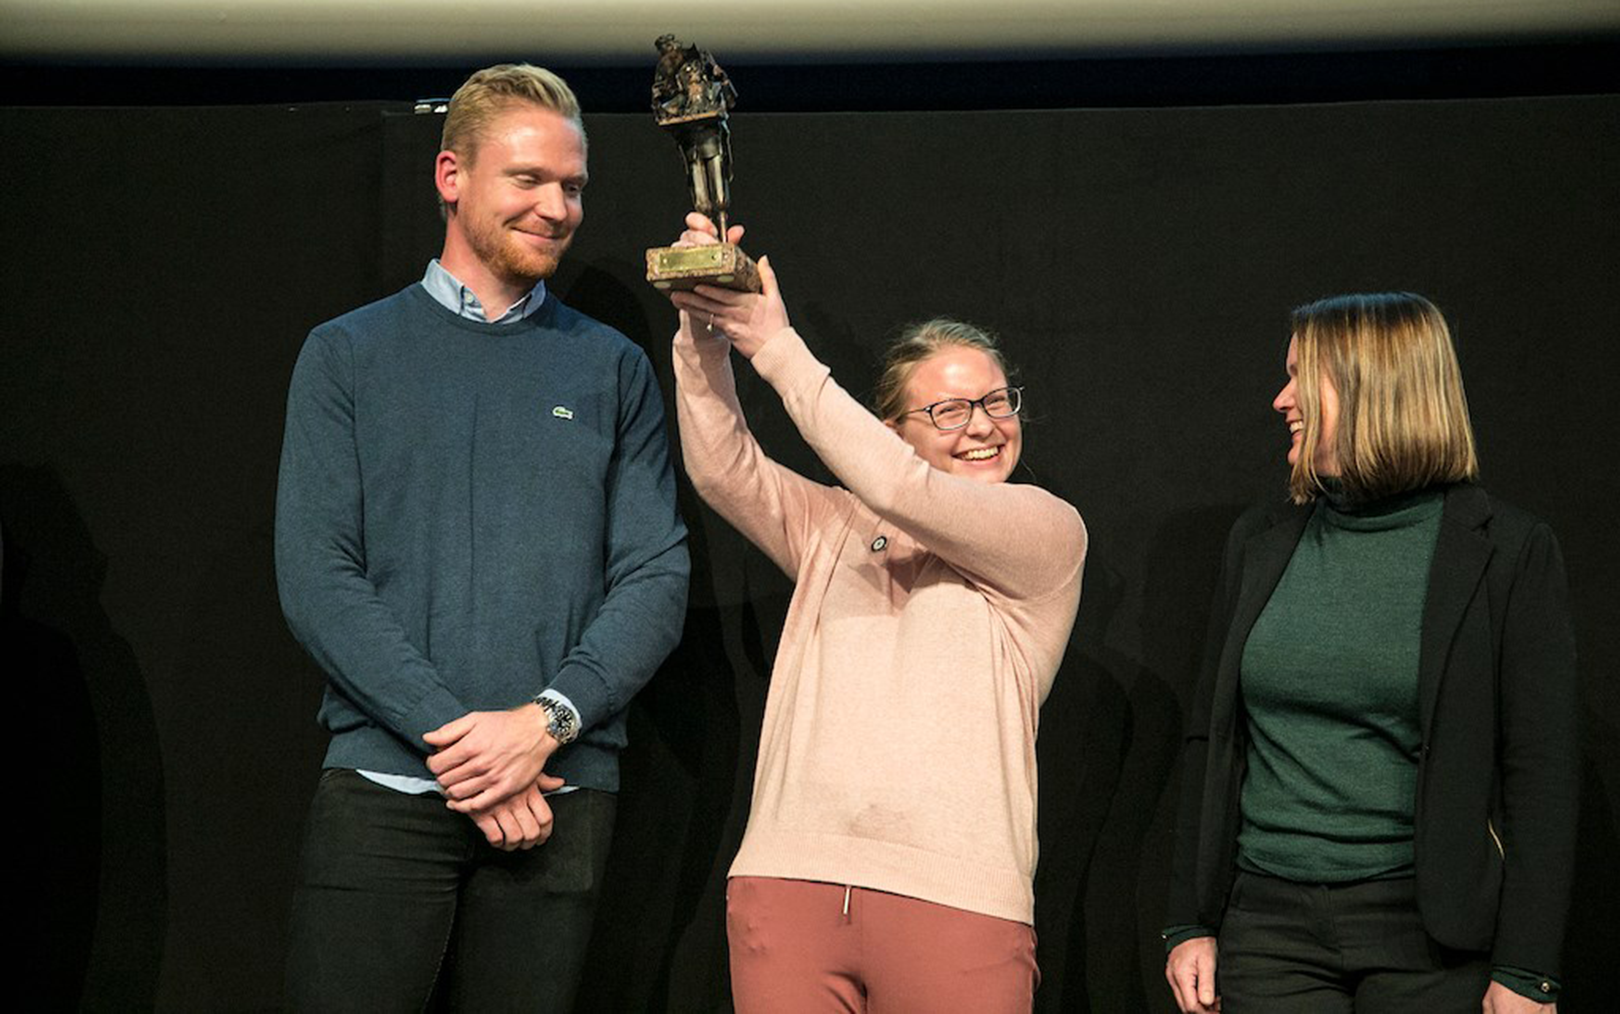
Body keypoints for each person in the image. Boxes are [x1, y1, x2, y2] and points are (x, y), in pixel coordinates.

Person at [275, 64, 689, 1010]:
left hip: (562, 790)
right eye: (529, 180)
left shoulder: (612, 367)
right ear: (451, 176)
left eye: (574, 186)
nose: (557, 207)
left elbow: (656, 575)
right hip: (385, 786)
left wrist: (542, 727)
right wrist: (471, 751)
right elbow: (317, 574)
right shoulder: (347, 355)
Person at [666, 214, 1087, 1011]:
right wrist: (706, 328)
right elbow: (723, 468)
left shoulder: (1047, 530)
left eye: (997, 402)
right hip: (790, 885)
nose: (984, 427)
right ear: (888, 431)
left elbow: (904, 489)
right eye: (950, 410)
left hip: (956, 903)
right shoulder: (836, 525)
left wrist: (779, 348)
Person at [1163, 293, 1578, 1013]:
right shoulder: (1260, 540)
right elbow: (1212, 737)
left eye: (1301, 377)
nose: (1280, 399)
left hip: (1429, 936)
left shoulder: (1506, 551)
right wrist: (1189, 919)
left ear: (1372, 389)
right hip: (1268, 929)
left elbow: (1541, 769)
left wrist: (1527, 969)